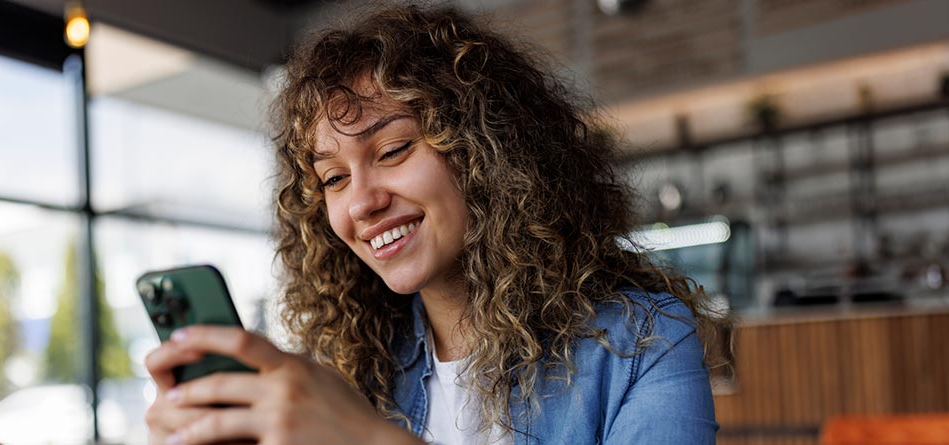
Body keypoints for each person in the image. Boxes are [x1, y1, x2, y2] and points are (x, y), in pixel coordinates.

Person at [146, 4, 727, 444]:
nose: (362, 202)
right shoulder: (350, 372)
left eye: (394, 150)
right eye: (333, 179)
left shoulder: (643, 342)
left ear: (490, 153)